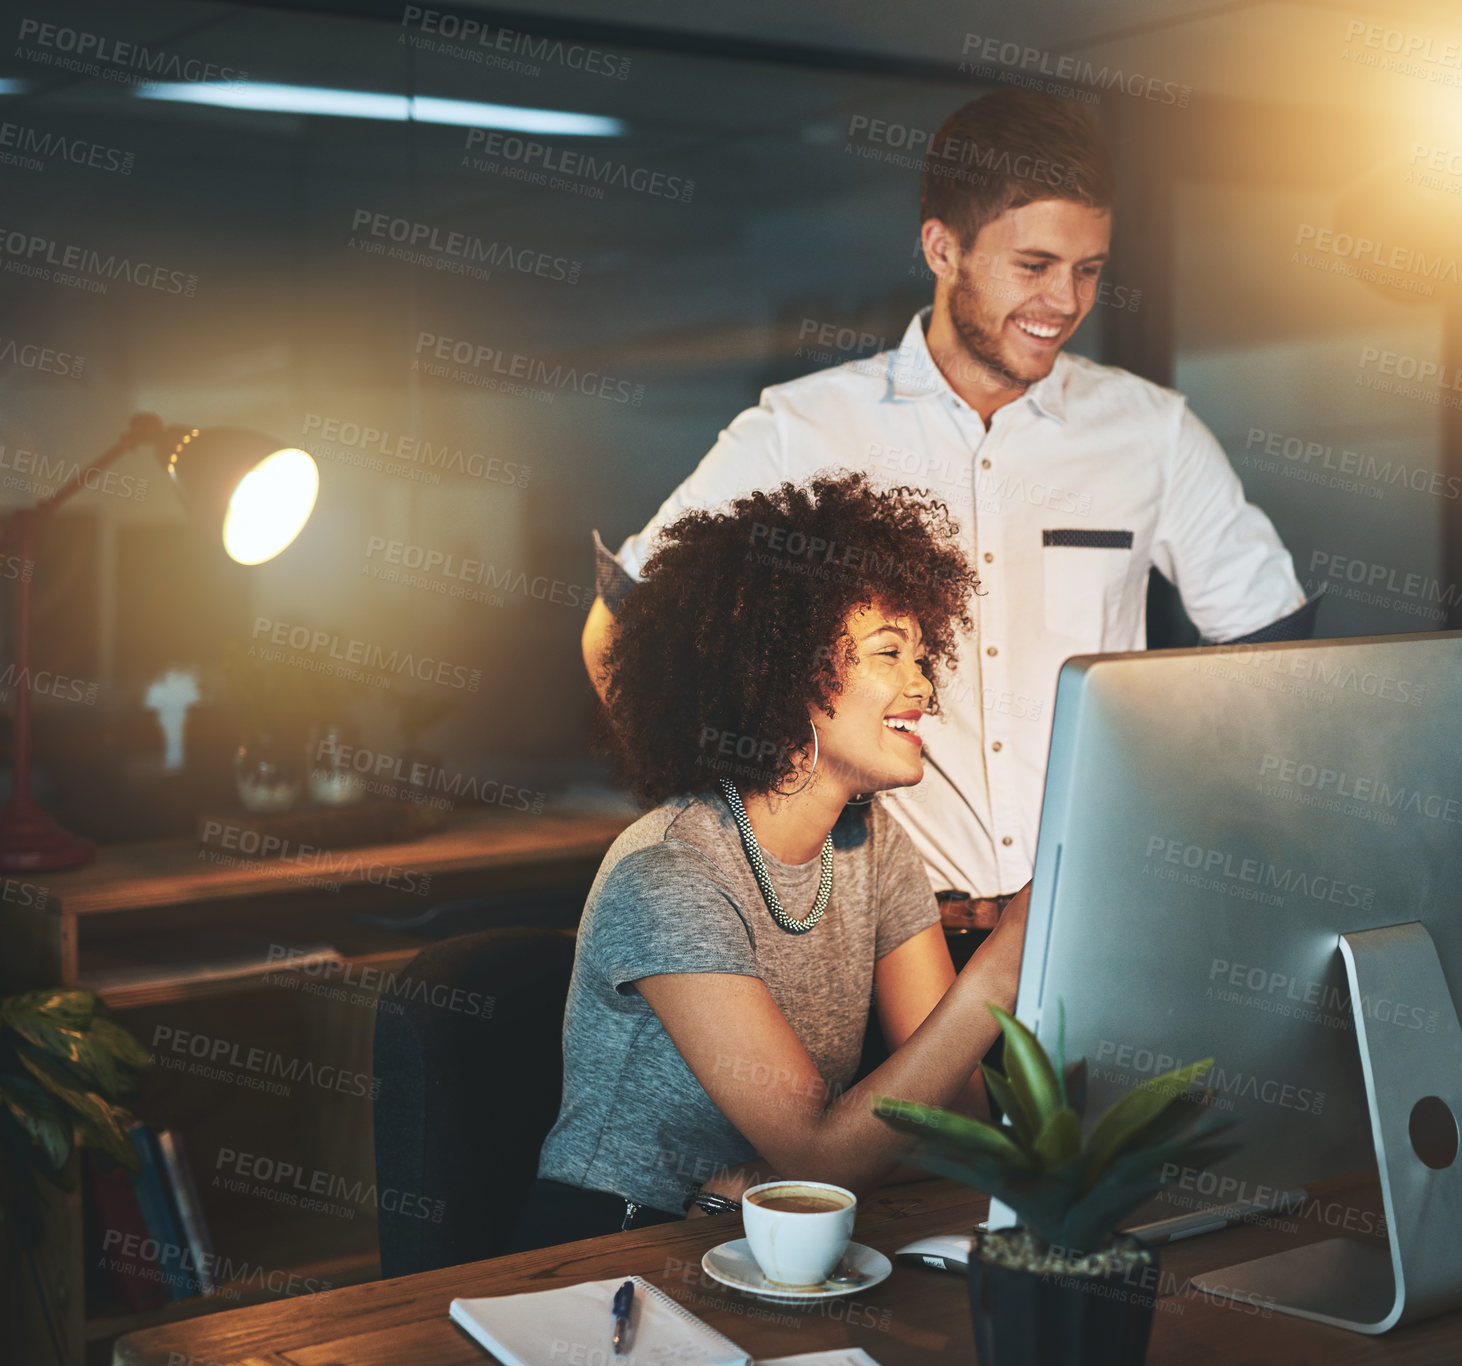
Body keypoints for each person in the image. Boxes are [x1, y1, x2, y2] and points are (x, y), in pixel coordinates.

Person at [581, 88, 1318, 938]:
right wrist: (743, 839)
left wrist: (1192, 831)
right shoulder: (805, 427)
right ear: (943, 248)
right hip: (873, 939)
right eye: (1033, 266)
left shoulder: (1153, 432)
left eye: (1089, 270)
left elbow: (1277, 667)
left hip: (1090, 925)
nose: (1065, 302)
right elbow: (625, 626)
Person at [504, 473, 1029, 1252]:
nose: (924, 686)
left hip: (760, 1231)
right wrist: (1002, 963)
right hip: (615, 1246)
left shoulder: (873, 842)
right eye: (890, 652)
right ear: (787, 675)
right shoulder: (669, 872)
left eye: (922, 654)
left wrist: (765, 1182)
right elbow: (822, 1155)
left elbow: (960, 1128)